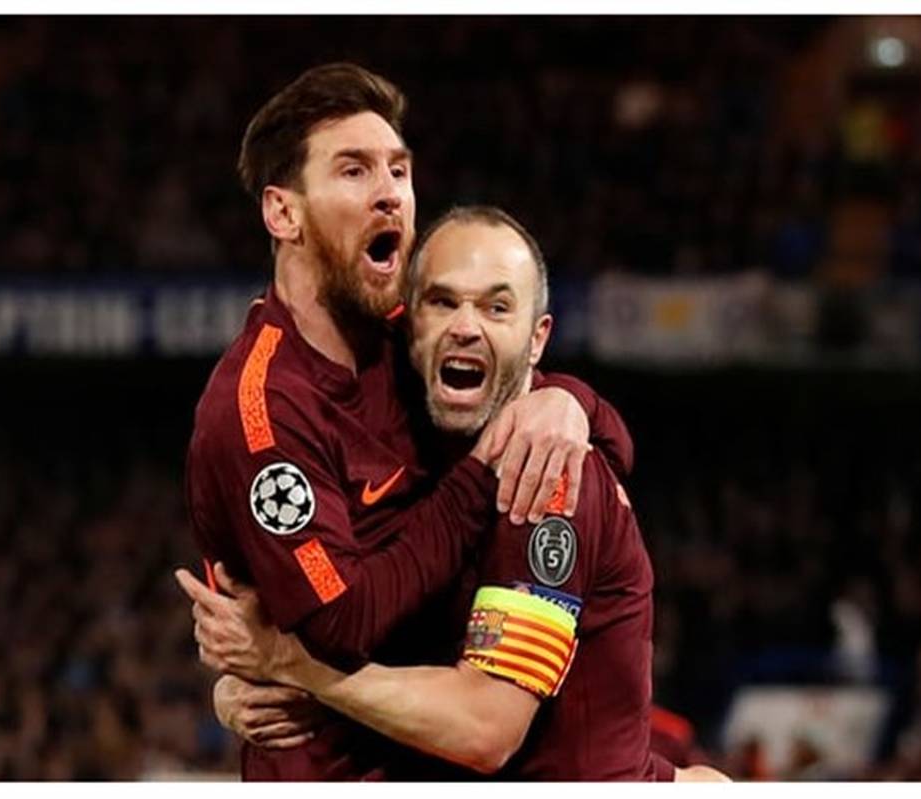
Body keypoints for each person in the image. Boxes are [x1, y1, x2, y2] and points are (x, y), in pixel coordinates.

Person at [182, 64, 633, 780]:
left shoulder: (407, 335)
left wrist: (571, 402)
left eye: (399, 169)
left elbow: (606, 440)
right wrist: (485, 467)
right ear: (283, 214)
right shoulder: (263, 408)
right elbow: (343, 623)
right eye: (354, 170)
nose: (390, 192)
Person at [180, 207, 730, 781]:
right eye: (442, 302)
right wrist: (249, 682)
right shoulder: (420, 451)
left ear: (538, 339)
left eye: (497, 307)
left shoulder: (544, 477)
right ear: (408, 324)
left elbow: (484, 729)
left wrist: (291, 666)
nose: (465, 326)